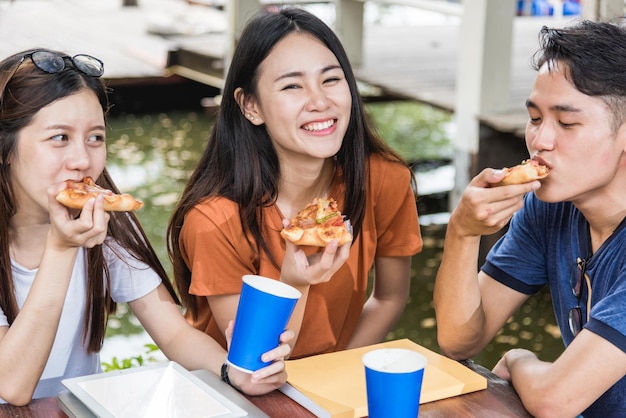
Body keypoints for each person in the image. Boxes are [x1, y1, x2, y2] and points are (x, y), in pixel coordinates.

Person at [0, 48, 293, 405]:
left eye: (95, 137)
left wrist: (233, 371)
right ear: (5, 148)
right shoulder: (75, 235)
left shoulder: (109, 224)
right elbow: (10, 386)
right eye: (59, 137)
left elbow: (173, 334)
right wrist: (62, 250)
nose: (81, 160)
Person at [166, 7, 422, 359]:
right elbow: (254, 361)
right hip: (230, 389)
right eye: (292, 86)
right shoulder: (214, 222)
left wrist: (335, 375)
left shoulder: (384, 179)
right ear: (251, 106)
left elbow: (390, 297)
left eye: (331, 79)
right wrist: (295, 283)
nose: (320, 101)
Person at [433, 19, 626, 417]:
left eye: (567, 123)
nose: (539, 141)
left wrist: (520, 359)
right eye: (535, 118)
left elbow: (555, 399)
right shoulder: (549, 207)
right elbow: (458, 341)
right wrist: (463, 232)